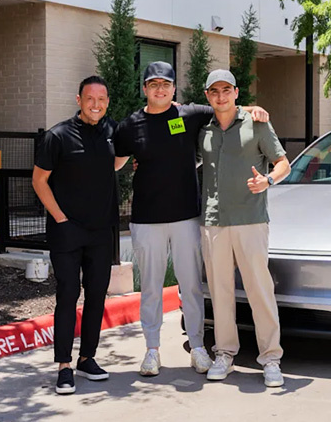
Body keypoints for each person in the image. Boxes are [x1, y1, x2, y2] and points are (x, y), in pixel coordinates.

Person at [113, 61, 270, 377]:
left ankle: (197, 347)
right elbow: (115, 163)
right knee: (151, 287)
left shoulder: (191, 114)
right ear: (145, 89)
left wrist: (254, 109)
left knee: (191, 286)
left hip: (186, 217)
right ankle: (152, 350)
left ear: (174, 88)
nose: (160, 89)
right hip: (146, 219)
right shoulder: (130, 125)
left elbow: (225, 107)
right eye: (154, 84)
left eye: (165, 84)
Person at [33, 75, 127, 395]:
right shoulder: (57, 136)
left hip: (101, 231)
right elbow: (39, 181)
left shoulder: (113, 131)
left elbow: (116, 163)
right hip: (67, 231)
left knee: (97, 295)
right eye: (90, 99)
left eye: (101, 99)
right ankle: (64, 366)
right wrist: (60, 218)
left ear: (107, 102)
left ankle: (87, 358)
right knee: (68, 294)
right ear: (79, 100)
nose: (95, 105)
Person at [198, 69, 291, 388]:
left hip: (251, 220)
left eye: (226, 90)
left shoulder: (258, 124)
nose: (220, 96)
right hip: (213, 221)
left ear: (236, 92)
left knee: (259, 291)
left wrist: (268, 181)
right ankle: (224, 353)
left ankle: (271, 358)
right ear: (207, 96)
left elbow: (283, 164)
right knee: (220, 292)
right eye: (214, 91)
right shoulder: (203, 129)